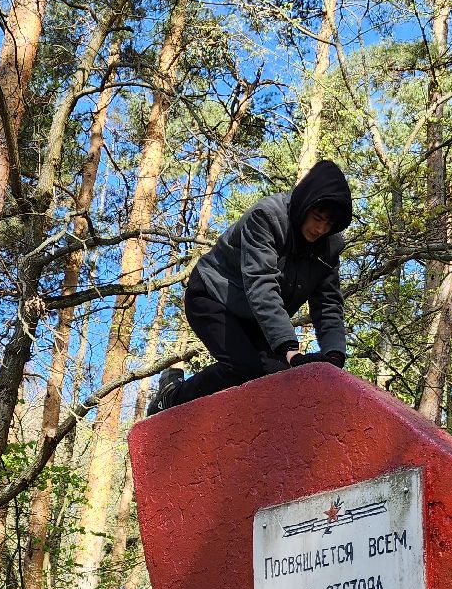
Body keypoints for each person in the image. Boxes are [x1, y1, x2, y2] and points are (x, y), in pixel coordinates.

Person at [147, 160, 353, 413]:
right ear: (305, 206)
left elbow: (329, 305)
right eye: (317, 218)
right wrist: (290, 348)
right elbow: (261, 284)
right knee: (245, 367)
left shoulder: (329, 247)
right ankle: (171, 396)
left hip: (253, 316)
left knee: (279, 378)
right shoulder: (267, 217)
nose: (320, 228)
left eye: (329, 224)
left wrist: (335, 355)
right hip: (213, 295)